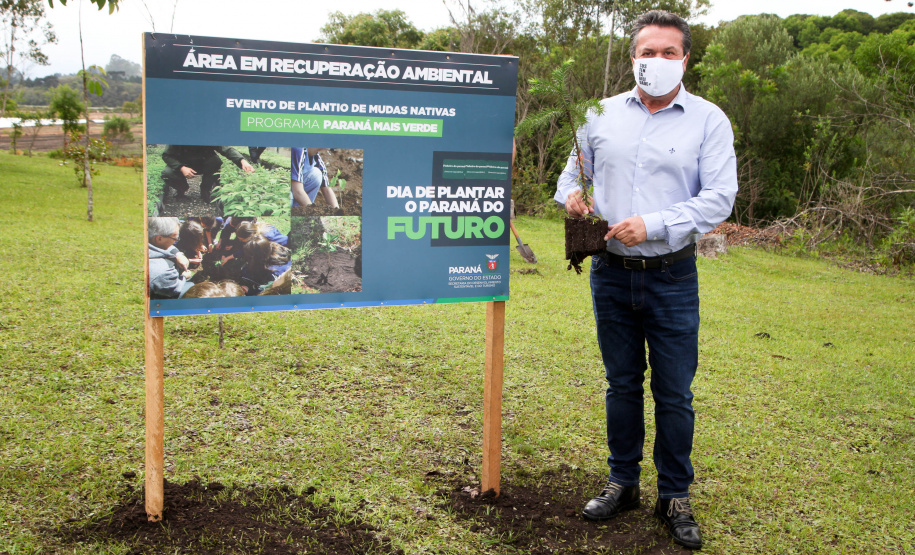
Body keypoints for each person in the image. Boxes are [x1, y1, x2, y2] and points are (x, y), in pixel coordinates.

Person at [555, 10, 738, 550]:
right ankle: (623, 482)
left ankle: (675, 495)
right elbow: (572, 172)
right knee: (621, 384)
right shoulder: (600, 114)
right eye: (645, 52)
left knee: (674, 392)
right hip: (610, 274)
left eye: (666, 53)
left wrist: (654, 225)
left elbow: (719, 197)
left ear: (685, 59)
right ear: (632, 56)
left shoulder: (708, 120)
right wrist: (571, 195)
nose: (653, 61)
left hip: (672, 275)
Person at [160, 145, 255, 203]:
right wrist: (181, 167)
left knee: (215, 161)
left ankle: (205, 189)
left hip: (202, 162)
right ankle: (182, 188)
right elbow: (166, 155)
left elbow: (226, 148)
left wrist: (242, 161)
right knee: (167, 173)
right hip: (182, 164)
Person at [148, 217, 194, 299]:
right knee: (191, 286)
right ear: (159, 238)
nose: (175, 241)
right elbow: (174, 290)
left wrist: (177, 254)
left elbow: (163, 246)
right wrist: (184, 276)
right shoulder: (164, 271)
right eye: (175, 239)